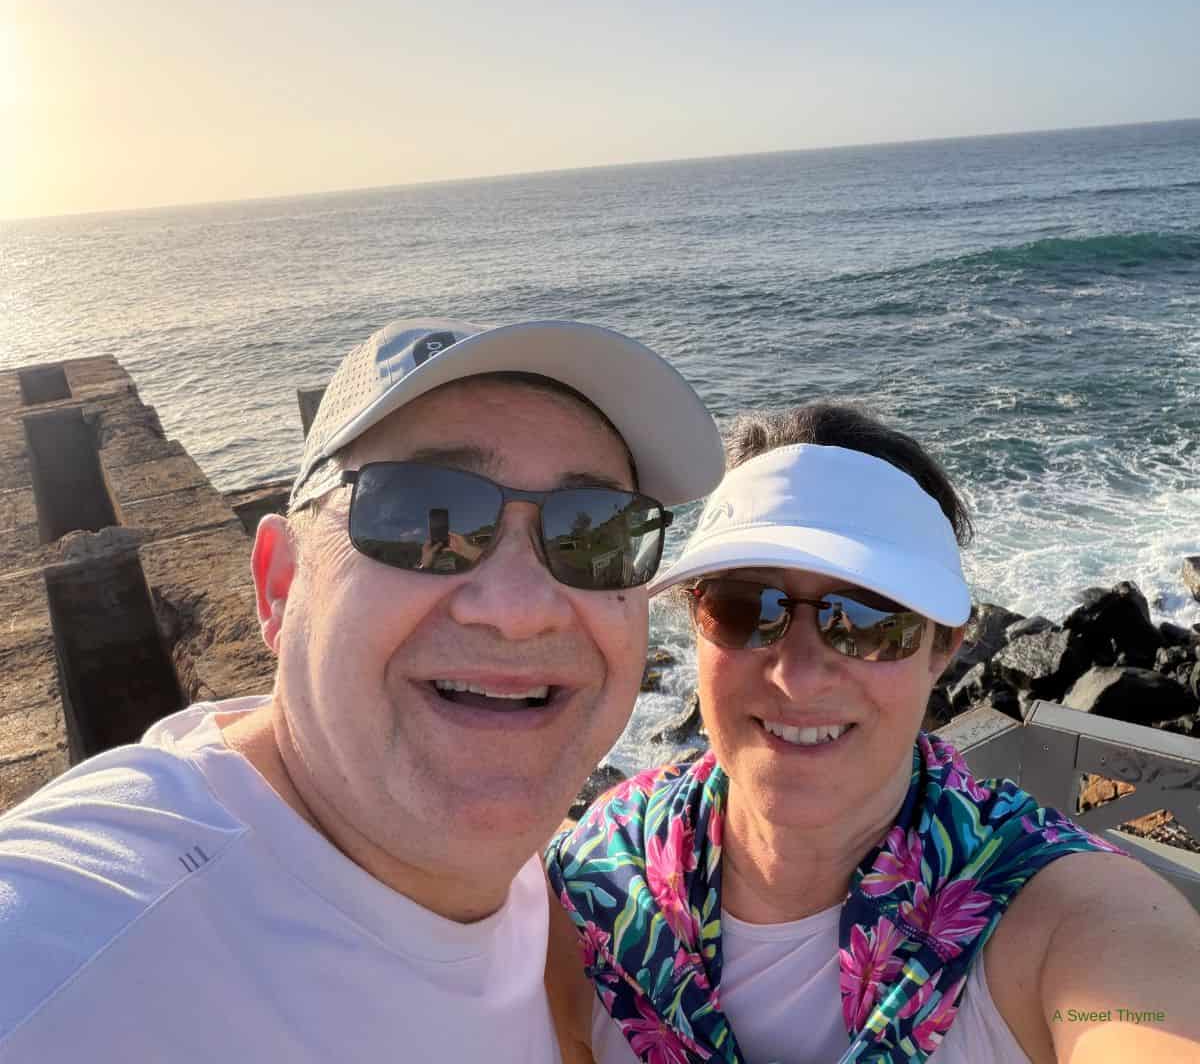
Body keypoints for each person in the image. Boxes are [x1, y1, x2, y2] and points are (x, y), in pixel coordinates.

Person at [0, 317, 724, 1062]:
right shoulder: (74, 954)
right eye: (418, 518)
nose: (518, 610)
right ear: (279, 586)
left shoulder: (549, 908)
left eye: (595, 533)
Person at [546, 404, 1200, 1064]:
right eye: (746, 607)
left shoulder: (1074, 917)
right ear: (696, 618)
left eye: (866, 621)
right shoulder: (596, 884)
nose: (798, 677)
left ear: (943, 646)